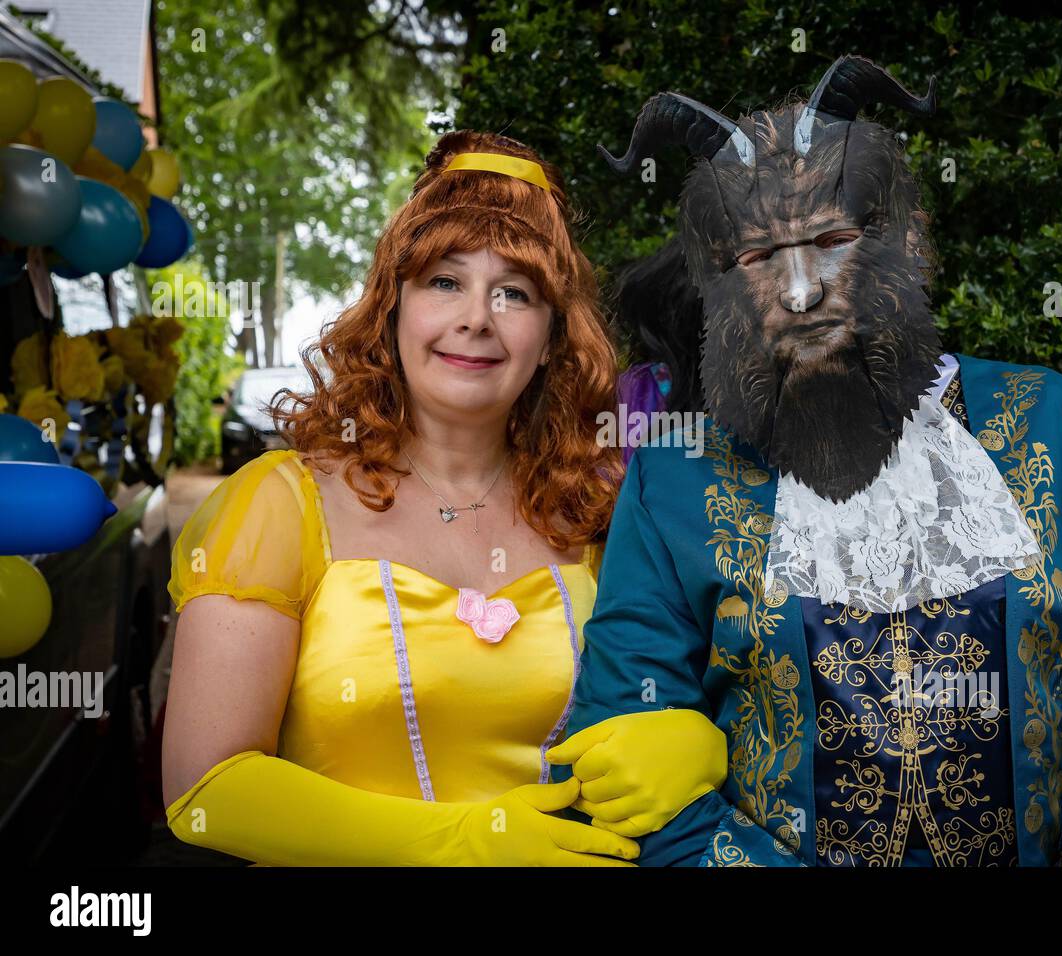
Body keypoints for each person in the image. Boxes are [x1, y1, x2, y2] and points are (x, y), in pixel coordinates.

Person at [549, 56, 1062, 866]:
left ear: (905, 240)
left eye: (834, 239)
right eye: (760, 259)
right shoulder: (675, 478)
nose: (802, 291)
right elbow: (623, 740)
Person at [161, 130, 724, 866]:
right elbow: (205, 791)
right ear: (393, 306)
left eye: (514, 293)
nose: (476, 319)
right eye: (444, 281)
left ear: (552, 335)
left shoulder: (603, 512)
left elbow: (702, 688)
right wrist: (461, 844)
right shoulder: (278, 504)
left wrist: (708, 735)